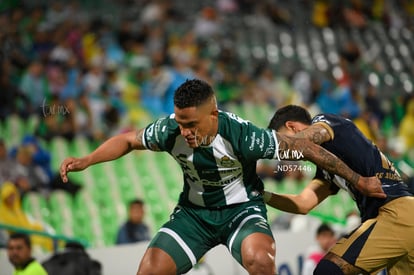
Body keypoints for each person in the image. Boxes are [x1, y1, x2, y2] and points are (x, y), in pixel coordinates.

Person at [60, 79, 383, 275]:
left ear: (213, 115)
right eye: (180, 122)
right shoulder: (170, 129)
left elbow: (304, 148)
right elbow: (129, 139)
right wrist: (88, 160)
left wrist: (359, 181)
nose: (184, 131)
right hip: (193, 215)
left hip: (241, 211)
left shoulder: (243, 135)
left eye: (192, 124)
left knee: (260, 261)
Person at [264, 104, 414, 274]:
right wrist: (263, 195)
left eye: (283, 137)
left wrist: (262, 146)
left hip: (393, 213)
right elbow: (303, 203)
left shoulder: (324, 121)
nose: (286, 156)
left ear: (292, 126)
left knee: (328, 270)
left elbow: (300, 143)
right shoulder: (328, 167)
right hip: (401, 221)